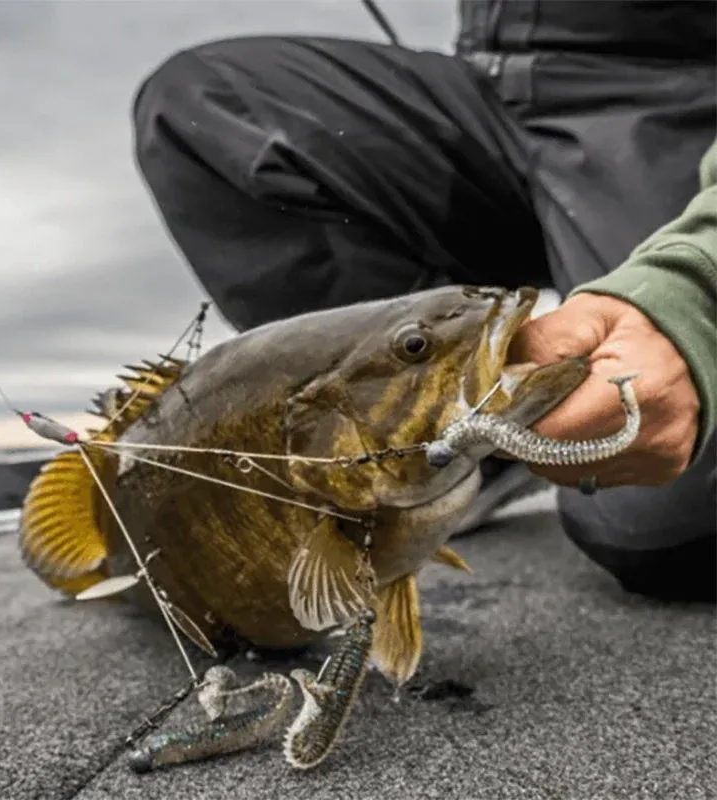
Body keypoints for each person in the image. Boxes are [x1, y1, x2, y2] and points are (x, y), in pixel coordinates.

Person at [130, 0, 716, 602]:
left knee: (660, 522)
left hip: (678, 105)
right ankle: (456, 451)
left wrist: (693, 296)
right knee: (199, 105)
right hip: (490, 98)